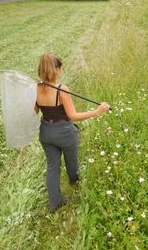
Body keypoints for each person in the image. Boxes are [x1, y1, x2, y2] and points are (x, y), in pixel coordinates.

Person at [34, 53, 110, 212]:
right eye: (60, 68)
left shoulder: (35, 88)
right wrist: (97, 111)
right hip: (64, 133)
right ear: (55, 69)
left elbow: (34, 112)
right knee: (71, 160)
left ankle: (55, 202)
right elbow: (73, 116)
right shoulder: (62, 89)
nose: (61, 71)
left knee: (52, 166)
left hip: (46, 132)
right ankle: (74, 180)